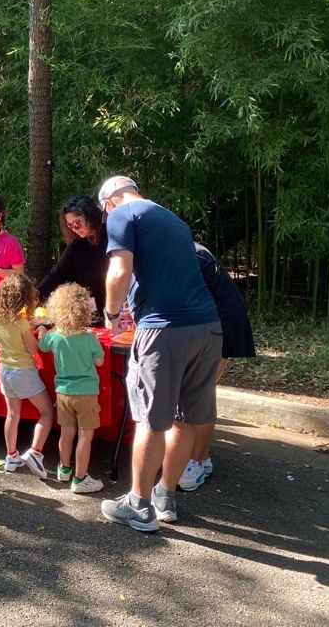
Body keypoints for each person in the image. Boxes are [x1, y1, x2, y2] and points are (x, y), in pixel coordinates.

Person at [97, 176, 222, 533]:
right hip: (207, 327)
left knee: (151, 420)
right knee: (183, 418)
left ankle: (138, 505)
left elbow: (119, 270)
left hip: (164, 329)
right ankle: (164, 496)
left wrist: (111, 315)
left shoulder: (124, 214)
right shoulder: (174, 220)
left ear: (109, 203)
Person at [178, 242, 256, 490]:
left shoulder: (193, 255)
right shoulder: (185, 251)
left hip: (219, 326)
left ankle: (197, 461)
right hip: (211, 325)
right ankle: (203, 457)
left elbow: (189, 299)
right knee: (202, 392)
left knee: (201, 394)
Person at [37, 283, 105, 493]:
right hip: (86, 393)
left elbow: (41, 345)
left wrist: (41, 330)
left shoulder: (54, 337)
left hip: (63, 392)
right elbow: (100, 362)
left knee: (66, 433)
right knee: (86, 435)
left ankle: (64, 469)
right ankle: (80, 478)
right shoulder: (89, 338)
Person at [0, 273, 53, 478]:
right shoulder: (22, 321)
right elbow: (34, 349)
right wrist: (41, 331)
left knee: (12, 414)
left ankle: (11, 456)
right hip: (23, 371)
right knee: (47, 412)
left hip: (4, 370)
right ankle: (35, 452)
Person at [37, 195, 108, 314]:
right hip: (95, 313)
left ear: (89, 215)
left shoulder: (113, 235)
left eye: (77, 223)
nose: (74, 229)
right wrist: (32, 300)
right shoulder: (78, 245)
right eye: (70, 225)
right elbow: (56, 275)